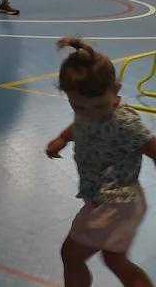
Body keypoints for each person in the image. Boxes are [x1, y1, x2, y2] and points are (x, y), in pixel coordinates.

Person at [46, 38, 156, 287]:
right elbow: (82, 124)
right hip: (109, 200)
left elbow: (154, 149)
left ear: (116, 89)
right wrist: (63, 138)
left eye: (99, 106)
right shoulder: (88, 109)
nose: (90, 112)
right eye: (78, 106)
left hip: (115, 202)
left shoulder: (125, 123)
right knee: (115, 260)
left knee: (71, 255)